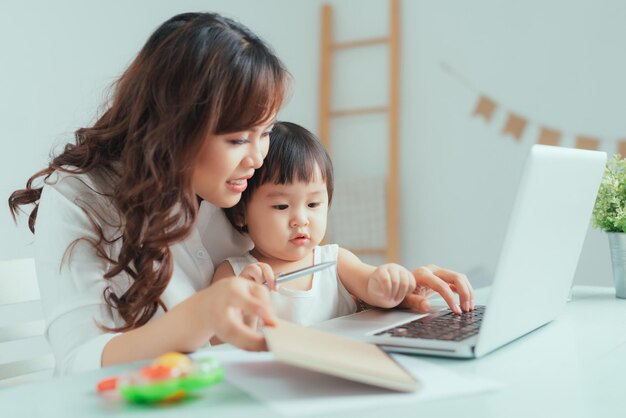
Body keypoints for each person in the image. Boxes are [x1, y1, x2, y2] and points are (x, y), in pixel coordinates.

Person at [8, 12, 289, 374]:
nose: (256, 157)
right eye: (237, 139)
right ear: (176, 126)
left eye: (266, 132)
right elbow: (79, 361)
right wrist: (201, 315)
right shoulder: (81, 195)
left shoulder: (244, 186)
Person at [214, 122, 474, 328]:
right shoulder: (234, 273)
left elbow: (372, 286)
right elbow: (216, 341)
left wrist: (388, 279)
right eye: (282, 206)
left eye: (314, 205)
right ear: (240, 215)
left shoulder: (334, 261)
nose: (301, 219)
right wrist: (240, 305)